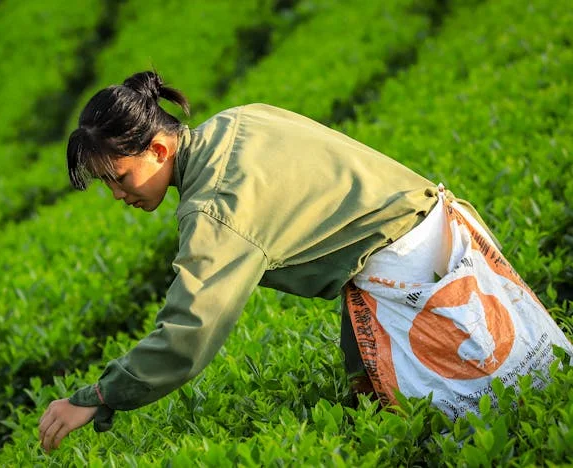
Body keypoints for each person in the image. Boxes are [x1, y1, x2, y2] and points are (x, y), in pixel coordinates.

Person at [38, 71, 572, 452]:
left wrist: (99, 396)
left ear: (158, 149)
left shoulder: (214, 208)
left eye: (120, 177)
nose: (118, 195)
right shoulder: (237, 121)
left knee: (482, 432)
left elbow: (190, 332)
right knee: (530, 389)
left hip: (411, 278)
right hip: (439, 231)